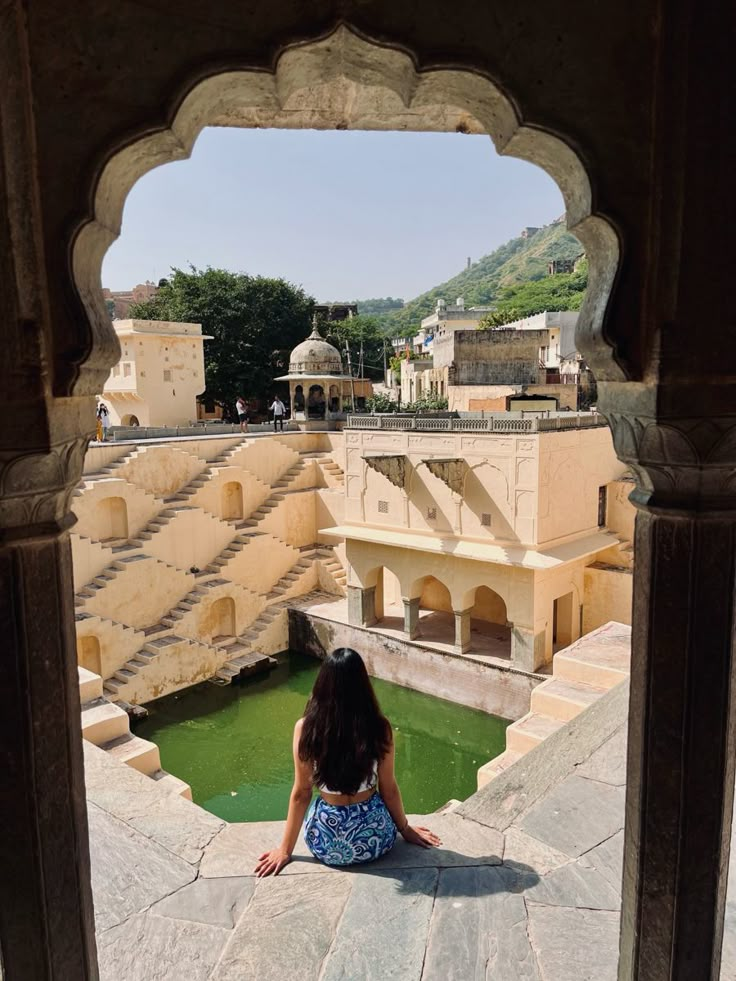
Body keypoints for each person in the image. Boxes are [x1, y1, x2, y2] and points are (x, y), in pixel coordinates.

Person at [255, 648, 441, 876]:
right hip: (375, 839)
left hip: (327, 844)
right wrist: (405, 829)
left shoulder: (305, 729)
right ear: (363, 685)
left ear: (322, 685)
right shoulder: (379, 727)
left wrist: (284, 850)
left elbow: (302, 793)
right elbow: (389, 789)